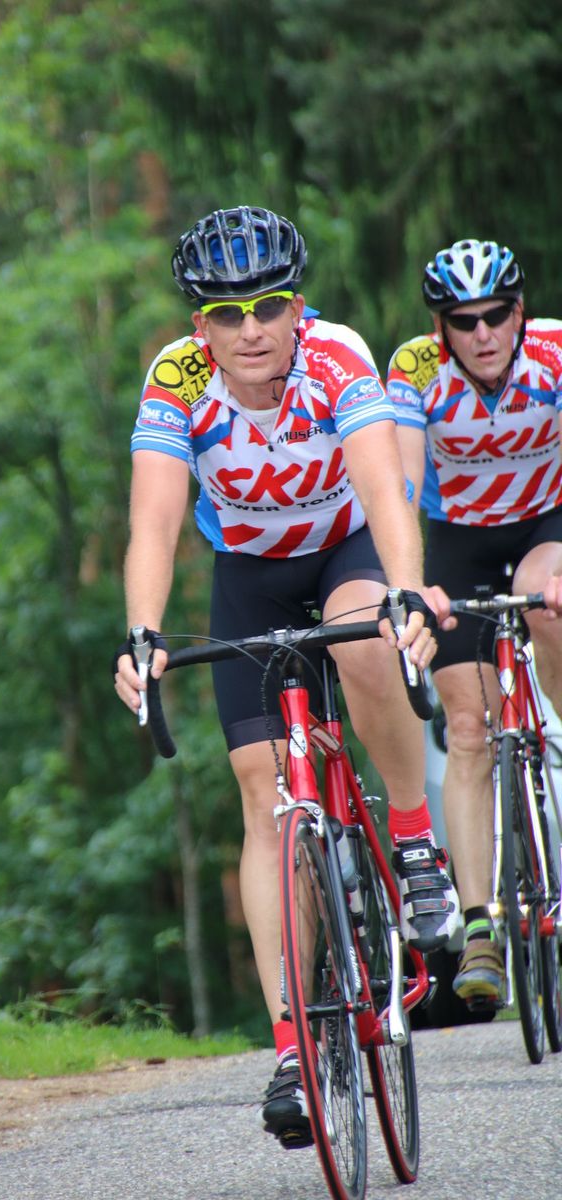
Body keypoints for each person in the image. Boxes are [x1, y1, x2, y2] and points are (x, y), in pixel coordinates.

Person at [113, 206, 460, 1149]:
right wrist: (142, 634)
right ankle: (292, 1048)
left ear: (296, 308)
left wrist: (404, 592)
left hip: (346, 548)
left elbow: (384, 491)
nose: (252, 328)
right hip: (252, 576)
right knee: (263, 794)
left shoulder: (337, 357)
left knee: (364, 642)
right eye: (228, 314)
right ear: (201, 326)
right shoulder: (177, 382)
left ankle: (415, 842)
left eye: (269, 306)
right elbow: (154, 523)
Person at [387, 238, 562, 1009]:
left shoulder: (554, 353)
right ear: (441, 329)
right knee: (466, 729)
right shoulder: (415, 370)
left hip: (545, 525)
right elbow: (400, 484)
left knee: (544, 600)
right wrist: (412, 582)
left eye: (497, 315)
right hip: (459, 540)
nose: (483, 333)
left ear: (519, 313)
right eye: (464, 321)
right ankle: (482, 924)